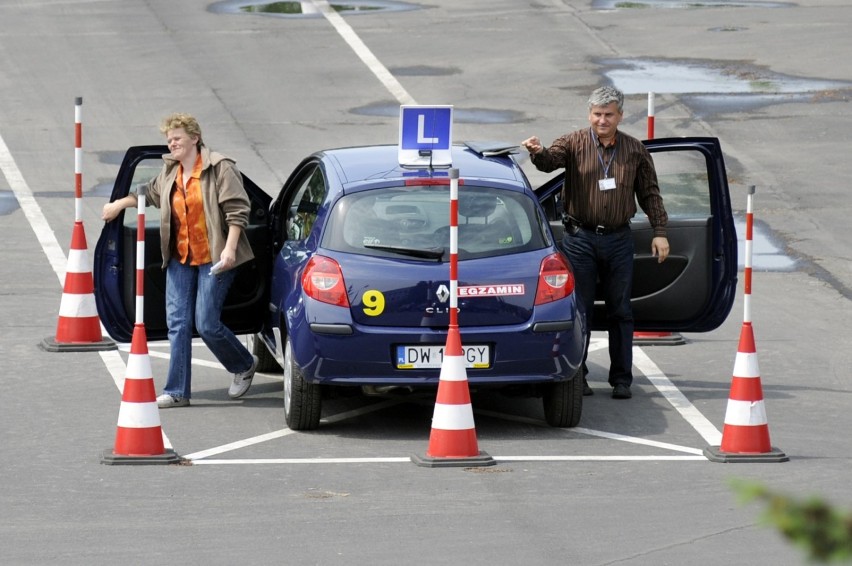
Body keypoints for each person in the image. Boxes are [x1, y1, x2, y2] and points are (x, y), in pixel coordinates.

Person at [522, 86, 670, 400]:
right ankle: (580, 376)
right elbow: (550, 162)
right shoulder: (573, 142)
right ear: (589, 114)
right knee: (581, 310)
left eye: (608, 114)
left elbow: (650, 194)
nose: (602, 120)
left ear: (620, 115)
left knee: (621, 311)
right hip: (580, 239)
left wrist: (660, 231)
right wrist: (537, 152)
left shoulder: (633, 150)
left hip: (618, 239)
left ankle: (622, 380)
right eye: (597, 114)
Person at [102, 113, 258, 408]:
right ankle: (177, 391)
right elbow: (149, 194)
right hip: (180, 257)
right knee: (177, 323)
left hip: (215, 257)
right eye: (169, 139)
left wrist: (229, 250)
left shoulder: (220, 168)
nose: (171, 143)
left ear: (195, 138)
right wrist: (120, 204)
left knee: (207, 324)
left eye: (177, 138)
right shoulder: (171, 172)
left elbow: (238, 211)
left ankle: (243, 364)